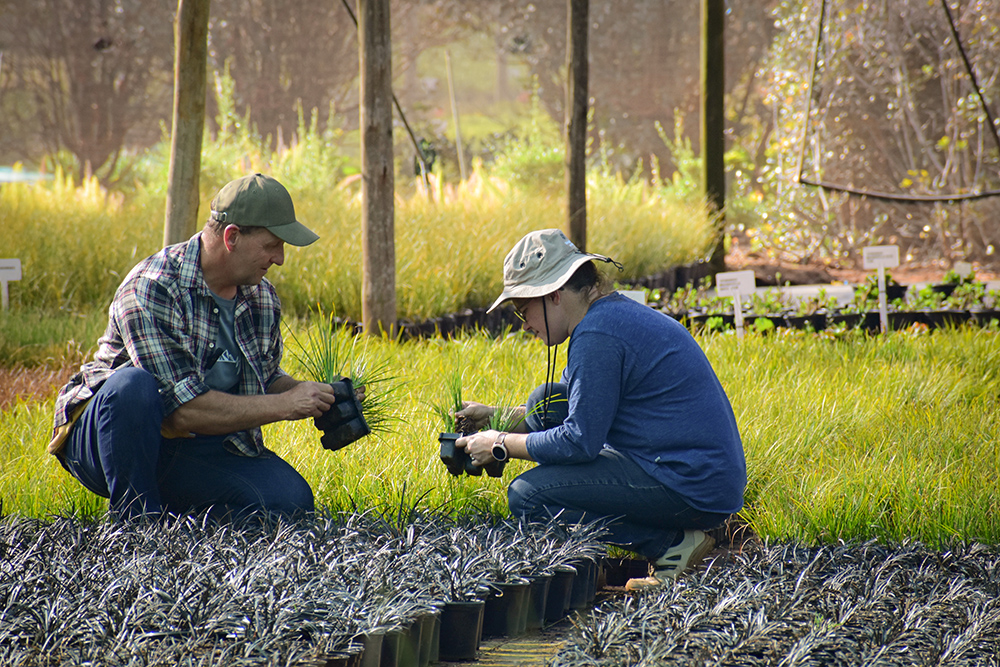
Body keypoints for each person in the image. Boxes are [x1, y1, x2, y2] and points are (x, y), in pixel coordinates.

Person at [456, 229, 746, 589]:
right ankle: (668, 540)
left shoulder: (597, 337)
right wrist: (496, 417)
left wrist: (500, 443)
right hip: (696, 470)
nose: (525, 323)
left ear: (554, 295)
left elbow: (579, 442)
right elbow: (578, 407)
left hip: (692, 483)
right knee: (545, 402)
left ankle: (671, 547)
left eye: (522, 309)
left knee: (528, 496)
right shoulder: (606, 317)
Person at [48, 173, 344, 521]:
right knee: (133, 387)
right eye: (272, 245)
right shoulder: (153, 288)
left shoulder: (261, 297)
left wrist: (315, 395)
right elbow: (183, 409)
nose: (279, 258)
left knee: (290, 501)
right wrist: (286, 405)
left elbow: (263, 379)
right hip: (113, 437)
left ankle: (175, 522)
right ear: (232, 237)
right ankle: (135, 520)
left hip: (195, 444)